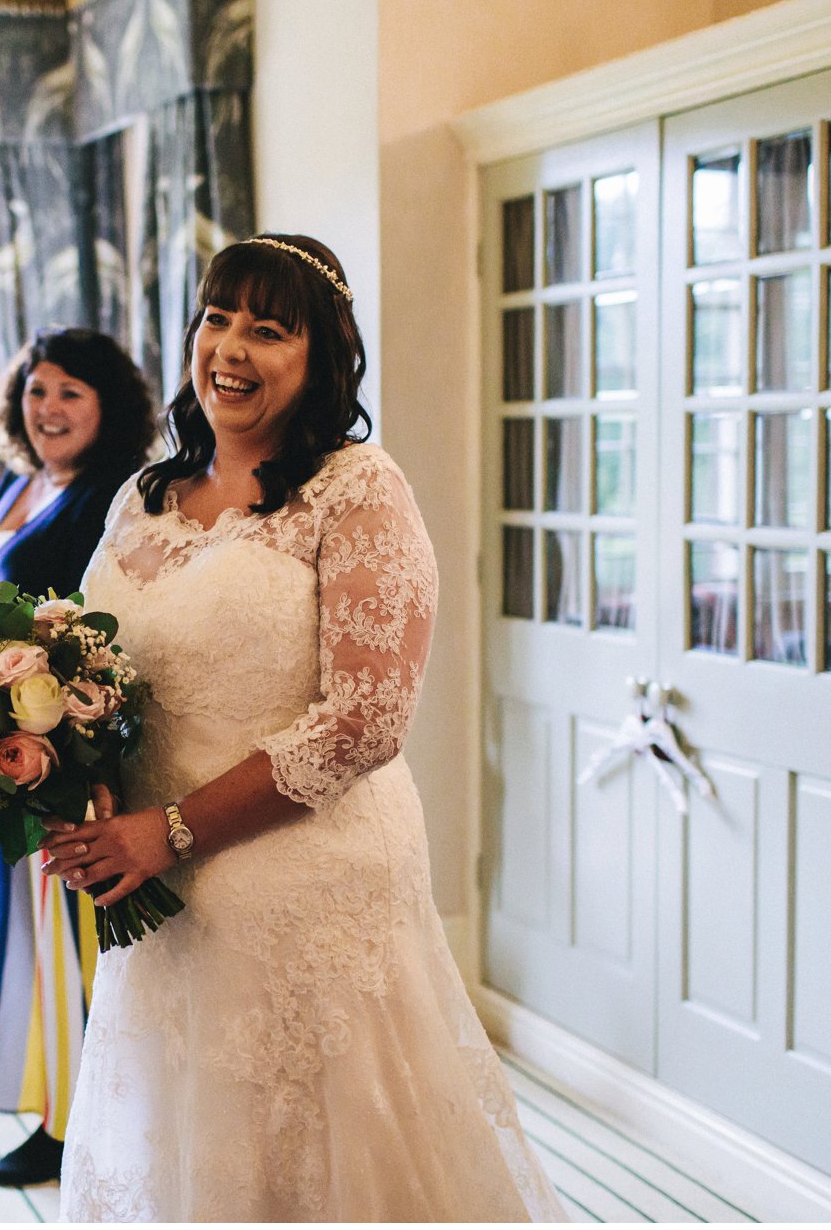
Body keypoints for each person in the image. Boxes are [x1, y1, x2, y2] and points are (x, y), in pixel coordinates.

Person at [41, 235, 567, 1221]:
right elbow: (107, 677)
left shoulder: (357, 490)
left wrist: (172, 829)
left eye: (267, 329)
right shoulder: (145, 494)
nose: (229, 348)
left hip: (304, 894)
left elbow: (363, 725)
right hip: (162, 908)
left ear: (320, 356)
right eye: (216, 318)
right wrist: (84, 779)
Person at [0, 327, 155, 1188]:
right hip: (6, 746)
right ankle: (48, 1106)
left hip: (70, 747)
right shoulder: (18, 482)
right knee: (26, 941)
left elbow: (111, 623)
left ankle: (78, 1120)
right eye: (37, 391)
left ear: (107, 405)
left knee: (69, 944)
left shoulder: (117, 494)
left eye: (71, 392)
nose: (49, 410)